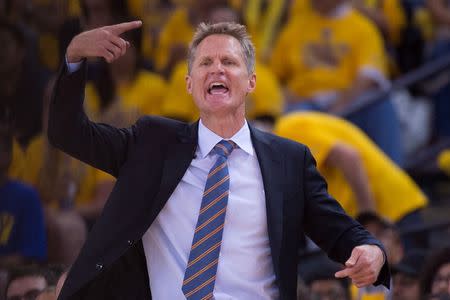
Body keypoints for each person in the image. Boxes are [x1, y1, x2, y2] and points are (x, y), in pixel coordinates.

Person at [50, 20, 389, 299]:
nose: (217, 70)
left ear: (251, 81)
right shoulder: (152, 143)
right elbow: (68, 133)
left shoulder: (289, 161)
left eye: (229, 62)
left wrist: (371, 250)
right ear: (189, 83)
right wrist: (74, 56)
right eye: (205, 63)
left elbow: (340, 231)